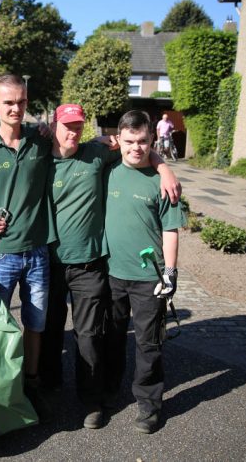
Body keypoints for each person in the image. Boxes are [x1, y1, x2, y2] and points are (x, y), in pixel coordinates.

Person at [40, 104, 181, 430]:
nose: (72, 132)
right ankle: (53, 390)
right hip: (61, 264)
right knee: (57, 333)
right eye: (66, 126)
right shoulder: (41, 157)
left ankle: (108, 400)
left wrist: (164, 168)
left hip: (100, 267)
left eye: (78, 125)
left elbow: (137, 149)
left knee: (101, 337)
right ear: (54, 125)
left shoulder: (97, 156)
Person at [0, 73, 55, 417]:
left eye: (20, 102)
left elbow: (75, 142)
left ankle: (30, 381)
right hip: (1, 254)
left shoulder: (40, 141)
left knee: (36, 323)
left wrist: (159, 163)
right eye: (8, 102)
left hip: (38, 252)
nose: (15, 108)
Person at [104, 110, 186, 434]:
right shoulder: (108, 172)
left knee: (148, 344)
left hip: (148, 279)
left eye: (142, 141)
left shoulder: (163, 183)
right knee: (110, 339)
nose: (136, 148)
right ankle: (110, 390)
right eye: (129, 141)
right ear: (119, 140)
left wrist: (170, 273)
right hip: (111, 273)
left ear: (152, 139)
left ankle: (149, 405)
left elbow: (171, 230)